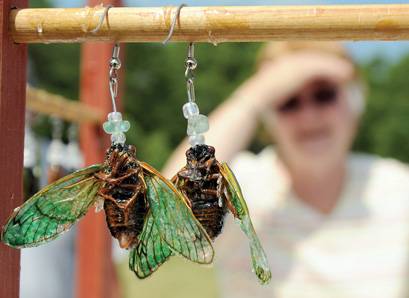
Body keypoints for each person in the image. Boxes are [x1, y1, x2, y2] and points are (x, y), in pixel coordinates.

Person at [162, 42, 409, 298]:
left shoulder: (399, 189)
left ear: (355, 102)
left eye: (324, 95)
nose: (309, 117)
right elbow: (172, 215)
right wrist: (258, 93)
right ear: (268, 117)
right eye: (288, 101)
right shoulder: (244, 187)